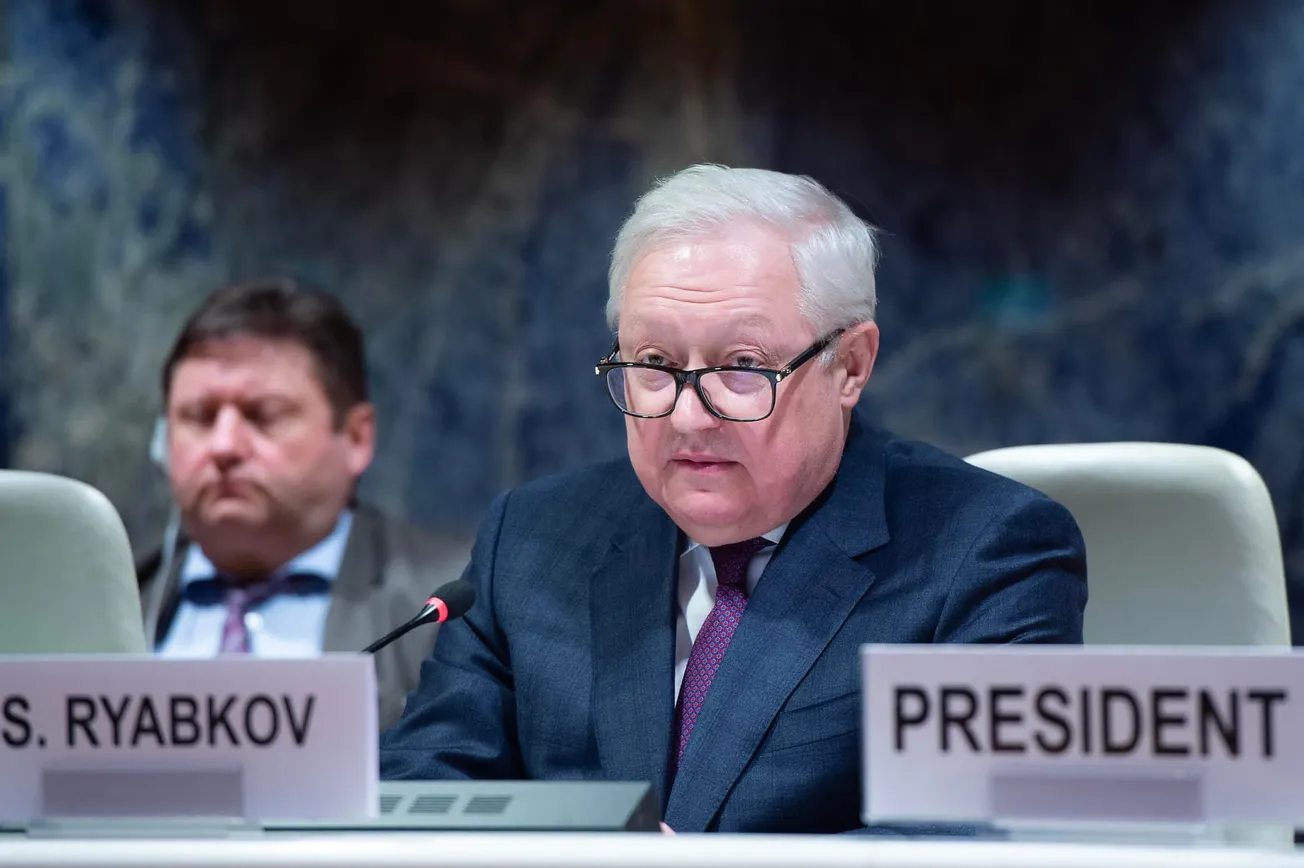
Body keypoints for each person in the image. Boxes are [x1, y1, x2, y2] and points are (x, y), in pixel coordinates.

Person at [379, 165, 1088, 833]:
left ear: (850, 365)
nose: (689, 416)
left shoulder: (985, 553)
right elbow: (420, 794)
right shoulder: (532, 541)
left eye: (743, 366)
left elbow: (975, 840)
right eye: (654, 364)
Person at [138, 278, 470, 730]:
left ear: (356, 438)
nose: (224, 446)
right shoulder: (105, 606)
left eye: (263, 415)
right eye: (199, 417)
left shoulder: (452, 606)